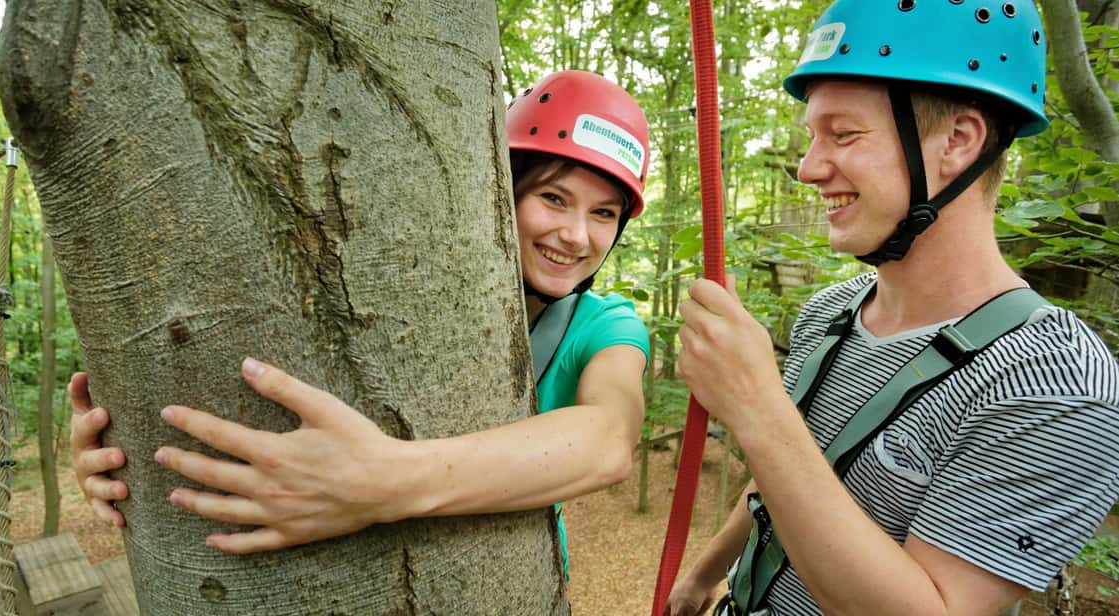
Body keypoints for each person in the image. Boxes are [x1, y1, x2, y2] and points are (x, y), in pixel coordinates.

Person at [68, 70, 651, 573]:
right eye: (553, 198)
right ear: (503, 193)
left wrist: (379, 483)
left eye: (603, 214)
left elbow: (608, 440)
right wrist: (126, 459)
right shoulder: (410, 283)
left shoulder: (604, 324)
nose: (577, 235)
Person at [666, 2, 1119, 615]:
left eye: (843, 134)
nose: (808, 168)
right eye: (811, 137)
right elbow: (795, 472)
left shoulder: (1055, 379)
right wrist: (704, 573)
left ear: (957, 142)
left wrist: (755, 405)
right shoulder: (831, 313)